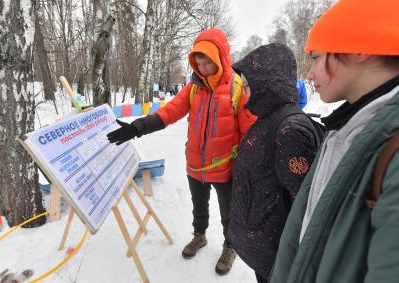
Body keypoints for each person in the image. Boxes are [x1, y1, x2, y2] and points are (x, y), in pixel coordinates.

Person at [106, 28, 255, 275]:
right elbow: (169, 112)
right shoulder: (194, 88)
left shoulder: (237, 89)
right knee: (199, 206)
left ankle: (231, 246)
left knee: (229, 213)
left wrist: (252, 167)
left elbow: (250, 131)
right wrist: (137, 128)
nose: (204, 67)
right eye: (199, 62)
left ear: (221, 57)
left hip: (226, 168)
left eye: (208, 61)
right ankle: (200, 235)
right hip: (196, 165)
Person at [270, 0, 399, 282]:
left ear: (361, 48)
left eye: (316, 57)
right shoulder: (345, 128)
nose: (309, 73)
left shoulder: (389, 148)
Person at [229, 43, 322, 283]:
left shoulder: (289, 130)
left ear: (266, 82)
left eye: (248, 85)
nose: (245, 91)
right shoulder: (268, 118)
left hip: (277, 253)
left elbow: (304, 204)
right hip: (264, 247)